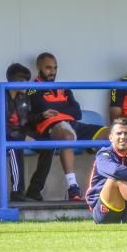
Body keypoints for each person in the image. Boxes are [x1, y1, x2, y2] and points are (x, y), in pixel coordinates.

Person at [27, 52, 107, 201]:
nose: (53, 72)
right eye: (48, 68)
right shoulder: (33, 88)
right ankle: (73, 187)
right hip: (54, 126)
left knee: (111, 135)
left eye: (55, 68)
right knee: (67, 137)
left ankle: (107, 183)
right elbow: (42, 106)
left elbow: (77, 112)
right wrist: (64, 106)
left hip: (74, 124)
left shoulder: (63, 87)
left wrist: (56, 108)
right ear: (39, 67)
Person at [0, 63, 33, 202]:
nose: (27, 84)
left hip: (19, 135)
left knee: (48, 145)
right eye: (23, 81)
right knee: (14, 146)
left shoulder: (24, 97)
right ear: (14, 82)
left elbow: (27, 120)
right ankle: (17, 192)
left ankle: (35, 190)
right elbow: (0, 126)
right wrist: (22, 137)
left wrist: (42, 117)